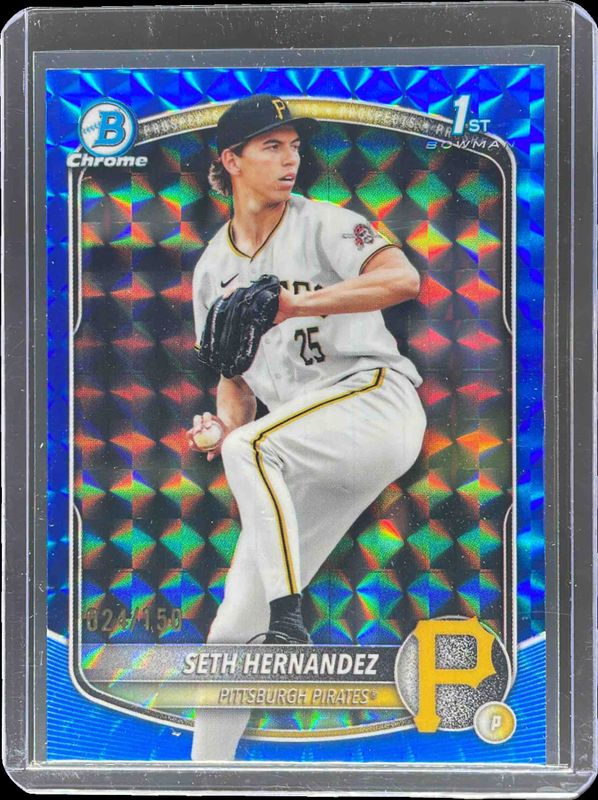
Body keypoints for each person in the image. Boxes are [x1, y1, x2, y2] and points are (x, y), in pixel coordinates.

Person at [187, 93, 426, 760]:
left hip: (374, 401)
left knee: (252, 448)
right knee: (232, 628)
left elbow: (403, 278)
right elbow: (234, 382)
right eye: (272, 146)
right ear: (232, 160)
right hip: (303, 446)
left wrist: (298, 304)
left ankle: (289, 620)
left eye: (294, 145)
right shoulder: (211, 271)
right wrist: (217, 432)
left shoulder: (324, 223)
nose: (290, 158)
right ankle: (205, 776)